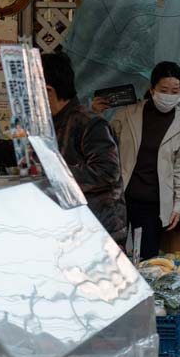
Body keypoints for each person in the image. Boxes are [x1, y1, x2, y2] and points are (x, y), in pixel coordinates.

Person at [110, 61, 180, 259]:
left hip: (154, 205)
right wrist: (96, 111)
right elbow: (105, 143)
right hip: (121, 200)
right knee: (115, 258)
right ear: (152, 89)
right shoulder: (127, 115)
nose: (169, 95)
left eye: (174, 91)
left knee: (147, 262)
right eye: (164, 90)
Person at [41, 53, 126, 244]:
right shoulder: (53, 123)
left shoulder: (90, 123)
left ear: (48, 91)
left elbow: (106, 172)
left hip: (99, 232)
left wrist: (50, 174)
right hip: (74, 228)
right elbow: (19, 152)